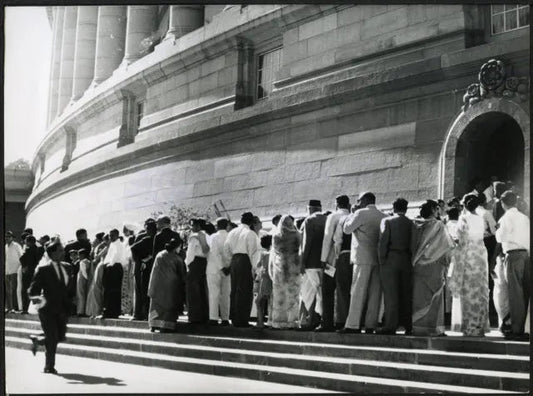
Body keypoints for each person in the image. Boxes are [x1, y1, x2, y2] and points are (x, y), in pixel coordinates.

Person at [339, 192, 387, 334]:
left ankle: (353, 324)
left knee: (358, 291)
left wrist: (352, 214)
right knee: (375, 292)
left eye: (359, 200)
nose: (357, 203)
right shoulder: (383, 216)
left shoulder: (360, 213)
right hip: (377, 258)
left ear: (365, 200)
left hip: (362, 258)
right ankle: (370, 325)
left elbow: (347, 229)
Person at [28, 240, 75, 374]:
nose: (63, 252)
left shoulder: (68, 267)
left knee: (59, 336)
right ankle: (49, 366)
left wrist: (71, 300)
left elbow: (68, 287)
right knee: (52, 337)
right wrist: (39, 302)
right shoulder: (43, 269)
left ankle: (38, 339)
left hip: (62, 308)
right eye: (60, 250)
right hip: (47, 309)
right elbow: (32, 290)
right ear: (52, 253)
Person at [411, 200, 455, 336]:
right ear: (434, 210)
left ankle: (418, 327)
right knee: (435, 296)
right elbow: (447, 245)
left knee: (419, 296)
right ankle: (434, 328)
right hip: (435, 264)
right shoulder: (438, 225)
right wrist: (448, 262)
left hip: (417, 264)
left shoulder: (415, 224)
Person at [448, 194, 490, 336]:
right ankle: (480, 325)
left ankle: (470, 327)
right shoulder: (481, 218)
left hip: (469, 255)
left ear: (465, 204)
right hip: (481, 254)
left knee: (468, 290)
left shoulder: (464, 218)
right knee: (480, 290)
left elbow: (462, 239)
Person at [495, 191, 530, 340]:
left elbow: (500, 237)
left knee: (515, 293)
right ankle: (523, 325)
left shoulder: (506, 217)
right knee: (525, 292)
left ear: (503, 204)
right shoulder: (524, 217)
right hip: (526, 255)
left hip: (513, 254)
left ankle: (517, 329)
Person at [376, 198, 413, 335]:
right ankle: (408, 324)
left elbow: (383, 241)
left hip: (390, 258)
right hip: (406, 259)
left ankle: (391, 325)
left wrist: (381, 260)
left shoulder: (387, 221)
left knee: (390, 294)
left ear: (393, 207)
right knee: (406, 293)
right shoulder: (410, 223)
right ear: (406, 208)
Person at [318, 195, 351, 332]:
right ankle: (342, 320)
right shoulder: (352, 216)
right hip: (348, 258)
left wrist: (323, 259)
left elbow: (327, 239)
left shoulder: (333, 216)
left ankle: (327, 322)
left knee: (327, 290)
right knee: (345, 290)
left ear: (336, 204)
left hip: (332, 259)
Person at [224, 212, 260, 327]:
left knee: (234, 290)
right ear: (251, 222)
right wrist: (255, 269)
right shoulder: (250, 233)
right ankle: (242, 319)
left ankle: (234, 317)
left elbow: (226, 248)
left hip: (234, 260)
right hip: (245, 260)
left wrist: (231, 261)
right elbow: (253, 252)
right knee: (244, 290)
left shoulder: (232, 232)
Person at [299, 200, 327, 330]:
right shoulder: (327, 219)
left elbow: (306, 243)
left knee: (309, 293)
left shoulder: (309, 220)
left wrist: (302, 261)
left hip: (311, 263)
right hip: (325, 262)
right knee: (321, 292)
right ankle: (320, 318)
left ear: (309, 209)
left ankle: (310, 320)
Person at [269, 215, 302, 329]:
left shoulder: (276, 236)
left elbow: (274, 252)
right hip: (293, 267)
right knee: (293, 295)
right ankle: (292, 321)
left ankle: (278, 322)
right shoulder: (297, 235)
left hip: (280, 267)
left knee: (279, 296)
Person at [147, 238, 185, 332]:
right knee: (168, 306)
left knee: (156, 307)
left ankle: (153, 325)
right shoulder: (177, 258)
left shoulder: (159, 254)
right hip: (170, 287)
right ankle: (166, 326)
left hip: (156, 284)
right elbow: (182, 274)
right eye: (180, 247)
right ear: (176, 247)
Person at [206, 218, 231, 325]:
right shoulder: (230, 236)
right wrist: (228, 267)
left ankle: (213, 317)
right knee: (226, 294)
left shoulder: (213, 237)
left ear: (217, 226)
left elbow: (214, 253)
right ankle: (225, 318)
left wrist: (221, 267)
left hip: (214, 269)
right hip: (227, 269)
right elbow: (231, 253)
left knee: (213, 293)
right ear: (227, 226)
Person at [185, 218, 210, 324]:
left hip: (195, 263)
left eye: (193, 225)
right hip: (204, 262)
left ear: (198, 226)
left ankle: (195, 316)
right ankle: (204, 315)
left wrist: (186, 264)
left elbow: (190, 253)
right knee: (202, 289)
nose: (192, 228)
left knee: (193, 290)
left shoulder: (194, 237)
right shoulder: (207, 236)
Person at [101, 229, 126, 319]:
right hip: (111, 267)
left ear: (117, 235)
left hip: (114, 267)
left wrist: (109, 265)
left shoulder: (118, 244)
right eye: (110, 235)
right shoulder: (112, 244)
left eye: (112, 235)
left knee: (113, 290)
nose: (110, 237)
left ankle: (112, 311)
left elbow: (115, 256)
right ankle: (109, 310)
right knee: (109, 290)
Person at [85, 235, 110, 317]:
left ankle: (97, 311)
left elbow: (97, 257)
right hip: (100, 268)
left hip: (102, 267)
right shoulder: (105, 247)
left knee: (98, 289)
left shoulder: (107, 247)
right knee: (96, 289)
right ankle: (95, 311)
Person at [255, 235, 273, 329]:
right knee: (271, 300)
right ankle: (269, 320)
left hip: (265, 278)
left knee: (259, 301)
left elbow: (258, 266)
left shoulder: (264, 254)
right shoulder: (274, 253)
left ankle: (260, 322)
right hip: (272, 278)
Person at [20, 236, 41, 313]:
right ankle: (34, 308)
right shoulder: (38, 249)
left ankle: (25, 308)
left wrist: (25, 266)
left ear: (29, 242)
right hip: (34, 273)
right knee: (34, 291)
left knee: (26, 291)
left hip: (29, 273)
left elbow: (22, 259)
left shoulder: (29, 250)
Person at [5, 231, 23, 313]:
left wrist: (21, 267)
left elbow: (21, 256)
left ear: (12, 237)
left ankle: (16, 307)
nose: (7, 238)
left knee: (14, 289)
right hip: (7, 270)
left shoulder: (16, 245)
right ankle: (9, 307)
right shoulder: (6, 246)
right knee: (8, 290)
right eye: (6, 236)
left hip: (15, 270)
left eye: (9, 236)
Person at [76, 248, 91, 317]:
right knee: (85, 295)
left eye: (79, 255)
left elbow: (84, 272)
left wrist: (86, 279)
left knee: (81, 295)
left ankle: (80, 311)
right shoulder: (88, 261)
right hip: (86, 280)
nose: (78, 257)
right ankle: (85, 310)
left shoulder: (82, 262)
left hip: (82, 279)